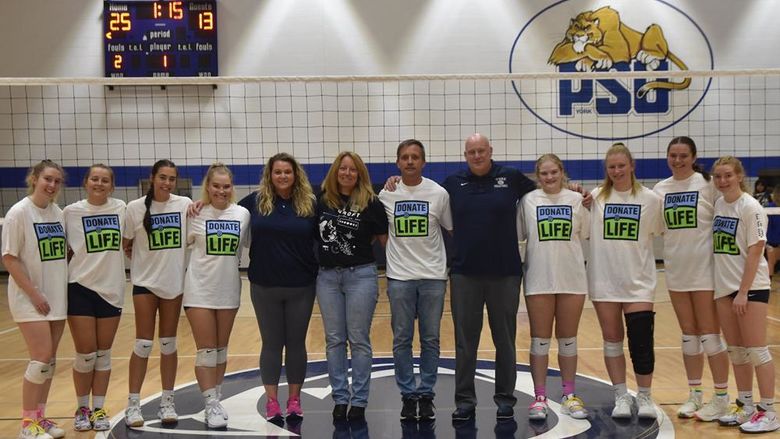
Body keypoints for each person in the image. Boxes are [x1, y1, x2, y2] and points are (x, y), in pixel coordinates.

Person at [444, 133, 537, 422]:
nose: (477, 155)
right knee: (465, 342)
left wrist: (571, 188)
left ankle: (506, 399)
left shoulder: (510, 178)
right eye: (471, 151)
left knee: (505, 340)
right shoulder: (452, 183)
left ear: (490, 151)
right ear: (465, 154)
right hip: (464, 274)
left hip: (505, 273)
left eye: (481, 150)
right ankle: (465, 401)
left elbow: (545, 191)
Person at [652, 136, 731, 421]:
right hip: (676, 271)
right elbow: (656, 227)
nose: (677, 160)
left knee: (710, 337)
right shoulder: (660, 190)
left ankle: (722, 397)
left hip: (706, 272)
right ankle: (695, 395)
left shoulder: (708, 185)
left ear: (694, 157)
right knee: (689, 337)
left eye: (683, 155)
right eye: (673, 155)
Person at [239, 153, 318, 422]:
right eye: (277, 172)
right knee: (271, 344)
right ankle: (272, 402)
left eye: (287, 172)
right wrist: (199, 205)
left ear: (296, 175)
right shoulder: (255, 201)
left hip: (301, 286)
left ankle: (294, 400)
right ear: (269, 175)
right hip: (264, 285)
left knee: (296, 344)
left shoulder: (309, 203)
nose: (282, 176)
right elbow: (223, 210)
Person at [378, 139, 452, 422]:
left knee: (431, 339)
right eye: (405, 157)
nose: (410, 161)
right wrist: (395, 253)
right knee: (402, 340)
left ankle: (427, 394)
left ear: (423, 162)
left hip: (433, 277)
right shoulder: (386, 194)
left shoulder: (438, 193)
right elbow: (381, 232)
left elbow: (451, 228)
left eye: (415, 157)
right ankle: (408, 395)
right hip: (399, 278)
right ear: (398, 162)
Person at [587, 143, 663, 420]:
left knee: (642, 340)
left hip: (639, 281)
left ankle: (644, 395)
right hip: (604, 281)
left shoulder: (651, 199)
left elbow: (656, 232)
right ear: (606, 170)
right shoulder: (595, 198)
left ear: (632, 165)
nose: (617, 171)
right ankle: (621, 395)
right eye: (612, 167)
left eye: (621, 165)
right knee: (612, 341)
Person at [516, 154, 589, 421]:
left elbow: (587, 233)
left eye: (553, 173)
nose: (549, 178)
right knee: (540, 340)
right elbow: (519, 234)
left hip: (572, 279)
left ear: (562, 172)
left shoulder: (577, 200)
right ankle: (539, 397)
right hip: (538, 280)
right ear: (538, 176)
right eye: (543, 174)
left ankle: (569, 395)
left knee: (568, 340)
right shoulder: (528, 201)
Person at [317, 151, 388, 421]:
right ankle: (339, 398)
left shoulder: (371, 203)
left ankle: (358, 400)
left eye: (353, 169)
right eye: (342, 169)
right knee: (335, 340)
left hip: (361, 275)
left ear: (360, 174)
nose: (347, 173)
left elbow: (384, 240)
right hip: (327, 278)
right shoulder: (321, 201)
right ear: (336, 172)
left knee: (358, 340)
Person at [710, 156, 778, 433]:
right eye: (717, 176)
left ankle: (769, 411)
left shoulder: (751, 207)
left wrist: (744, 291)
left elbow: (756, 251)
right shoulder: (718, 204)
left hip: (750, 288)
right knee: (736, 352)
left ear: (739, 176)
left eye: (727, 175)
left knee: (757, 351)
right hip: (724, 288)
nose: (722, 180)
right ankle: (746, 405)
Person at [123, 159, 192, 427]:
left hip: (173, 283)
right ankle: (133, 404)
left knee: (169, 344)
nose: (166, 182)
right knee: (142, 343)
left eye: (171, 179)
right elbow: (127, 243)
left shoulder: (184, 205)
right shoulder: (135, 208)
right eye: (162, 177)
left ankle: (167, 402)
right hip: (145, 283)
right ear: (153, 178)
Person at [3, 160, 68, 439]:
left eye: (56, 181)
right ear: (34, 179)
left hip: (56, 297)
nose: (52, 185)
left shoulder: (58, 212)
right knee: (40, 358)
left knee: (49, 361)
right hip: (31, 298)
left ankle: (40, 417)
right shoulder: (19, 212)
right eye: (47, 179)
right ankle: (27, 425)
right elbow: (9, 257)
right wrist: (34, 293)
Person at [183, 163, 249, 428]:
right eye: (216, 186)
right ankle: (210, 403)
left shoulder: (243, 214)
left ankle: (216, 398)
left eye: (226, 186)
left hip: (229, 290)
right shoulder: (194, 213)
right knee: (207, 351)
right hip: (199, 290)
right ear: (207, 187)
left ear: (231, 187)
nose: (221, 191)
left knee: (221, 351)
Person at [63, 164, 126, 432]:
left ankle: (98, 408)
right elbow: (61, 251)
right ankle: (82, 408)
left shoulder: (121, 209)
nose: (99, 184)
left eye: (104, 180)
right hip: (80, 287)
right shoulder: (70, 212)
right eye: (94, 179)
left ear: (111, 186)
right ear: (86, 182)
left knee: (104, 355)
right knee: (85, 354)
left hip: (111, 290)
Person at [764, 186, 780, 276]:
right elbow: (766, 226)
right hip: (772, 242)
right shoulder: (769, 207)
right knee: (771, 264)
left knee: (771, 264)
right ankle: (768, 286)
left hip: (773, 241)